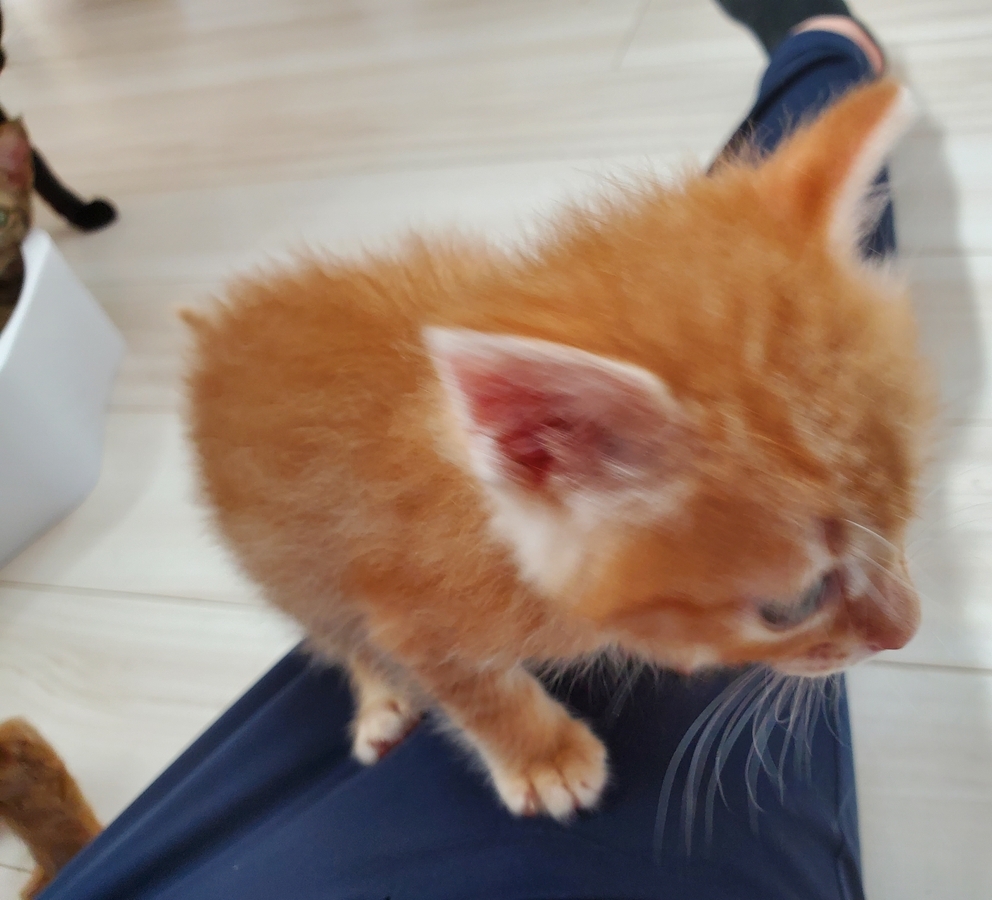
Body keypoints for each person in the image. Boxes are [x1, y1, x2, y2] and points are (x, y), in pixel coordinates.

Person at [40, 5, 891, 898]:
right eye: (799, 591)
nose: (900, 632)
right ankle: (821, 55)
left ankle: (824, 56)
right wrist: (526, 738)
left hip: (435, 435)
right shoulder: (502, 570)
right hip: (386, 521)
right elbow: (414, 619)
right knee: (374, 624)